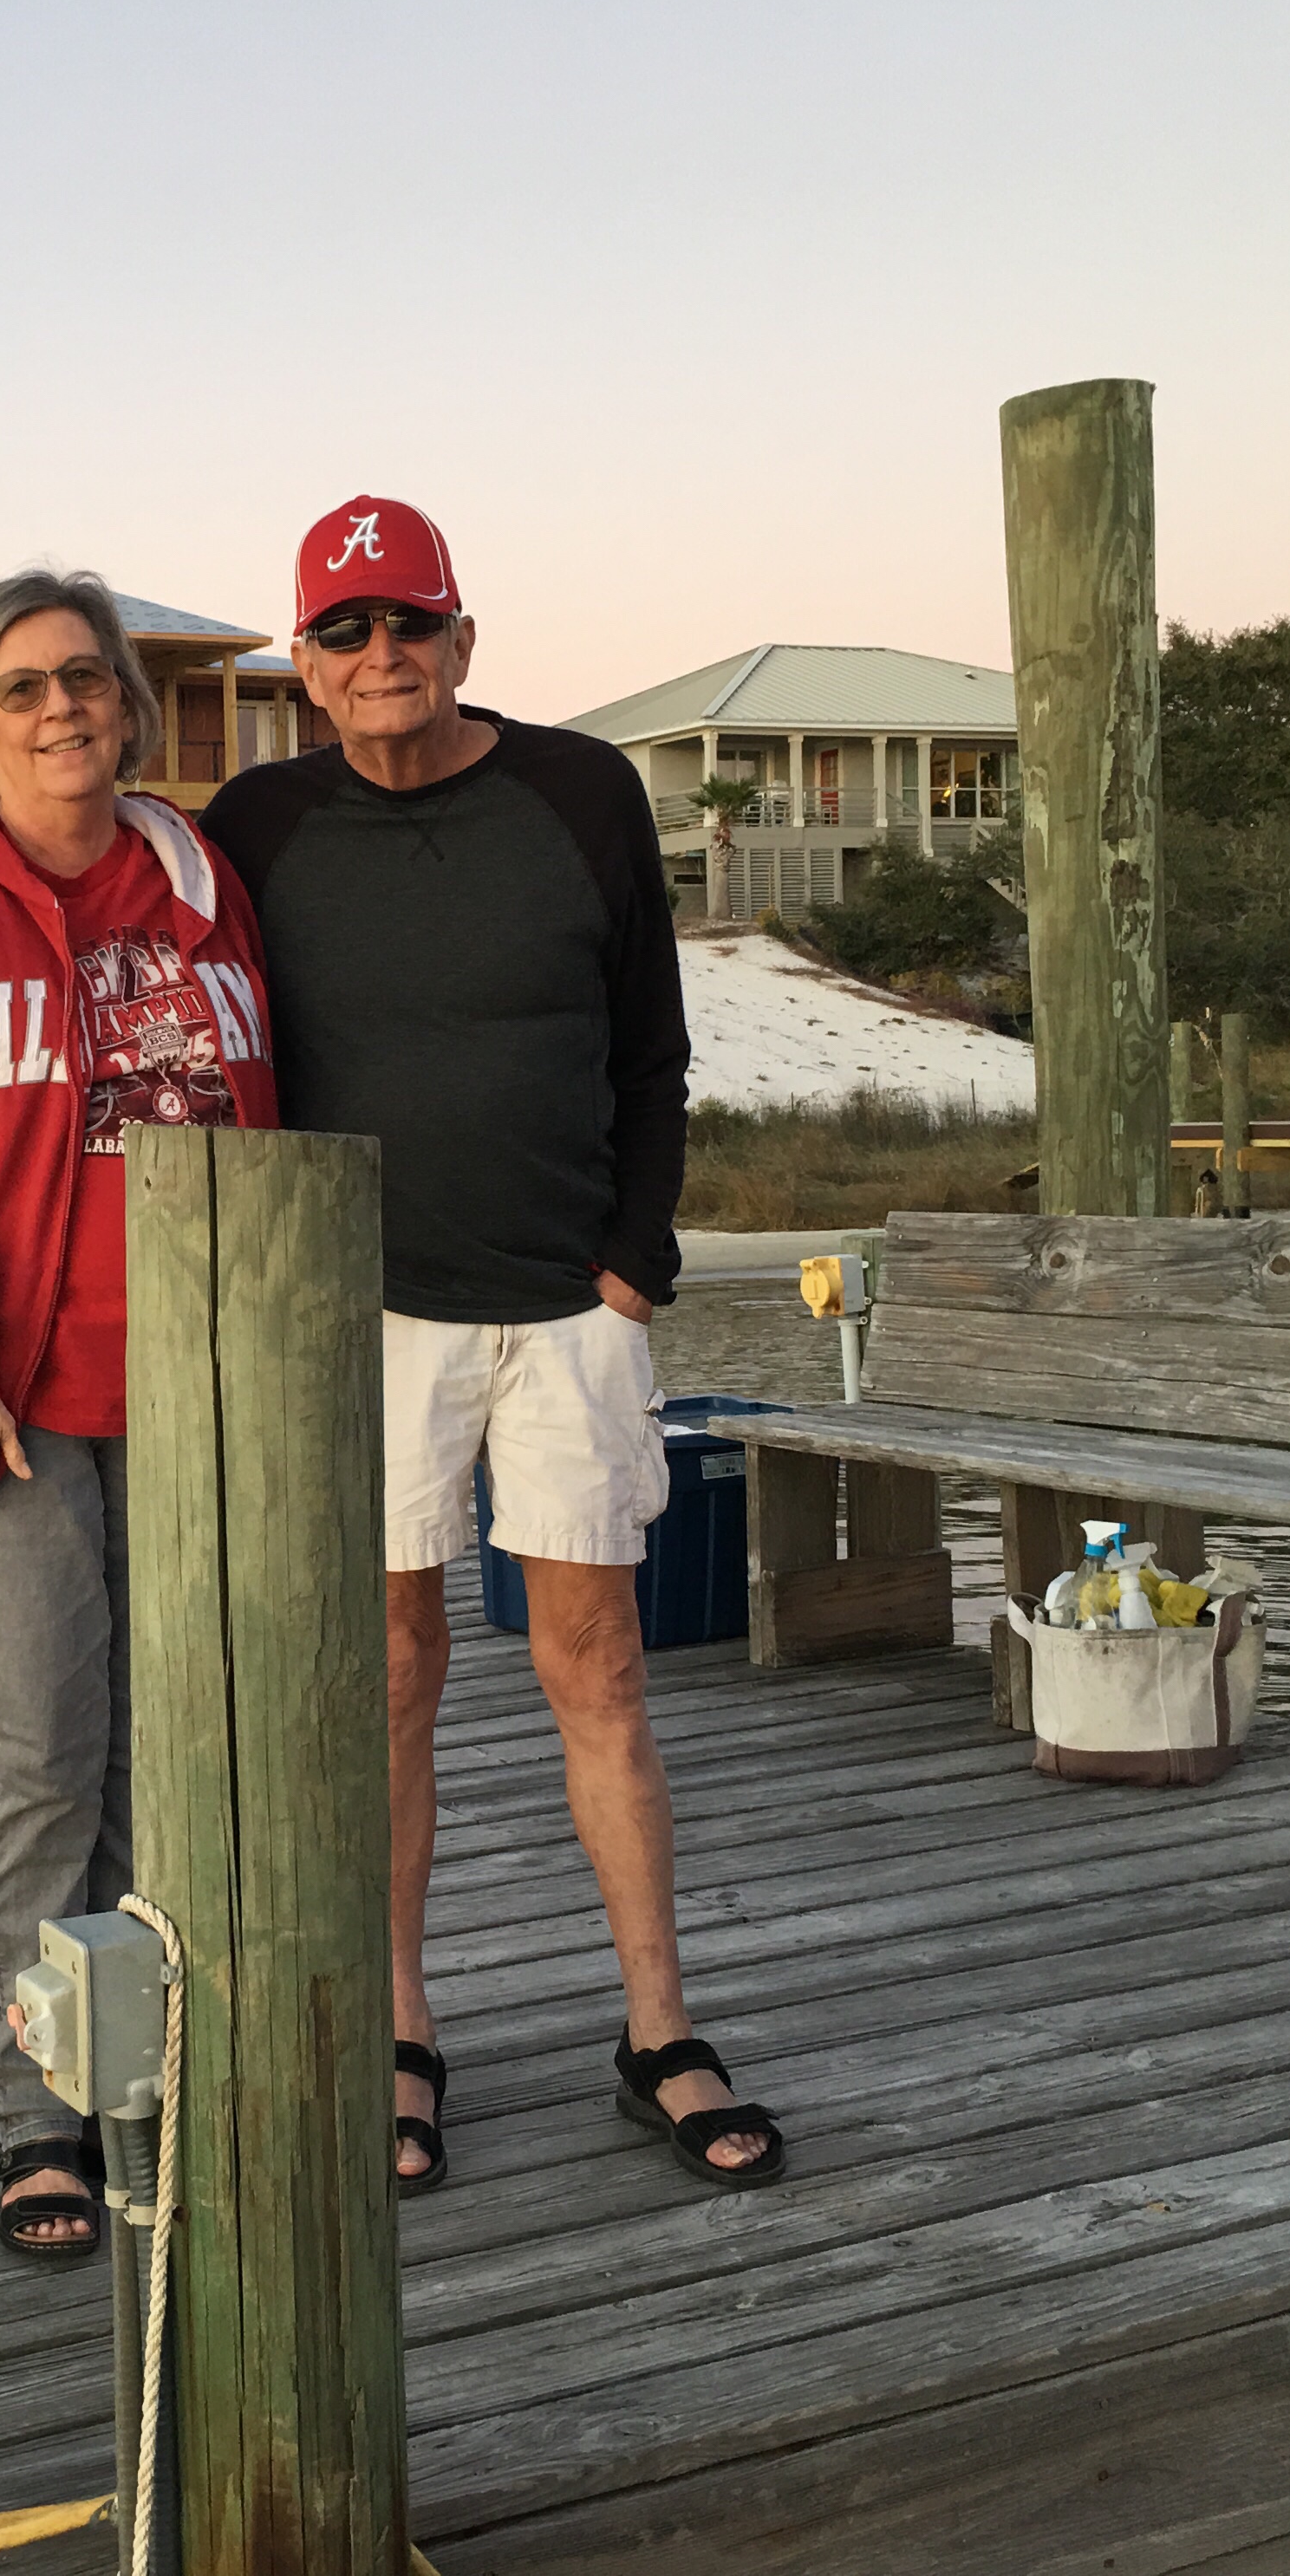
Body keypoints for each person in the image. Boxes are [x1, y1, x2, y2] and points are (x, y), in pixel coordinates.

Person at [201, 497, 785, 2195]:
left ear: (462, 637)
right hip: (363, 1308)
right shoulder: (252, 823)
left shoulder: (581, 792)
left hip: (566, 1306)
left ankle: (659, 2027)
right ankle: (400, 2029)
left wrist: (635, 1260)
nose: (380, 654)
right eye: (344, 630)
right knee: (390, 1671)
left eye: (410, 622)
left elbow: (651, 1051)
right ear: (303, 664)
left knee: (597, 1664)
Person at [0, 571, 277, 2259]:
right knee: (39, 1757)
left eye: (85, 677)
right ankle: (37, 2108)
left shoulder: (196, 881)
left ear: (129, 707)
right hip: (0, 1403)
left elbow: (254, 1116)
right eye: (19, 687)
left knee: (162, 1757)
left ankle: (141, 2068)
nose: (61, 707)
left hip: (183, 1382)